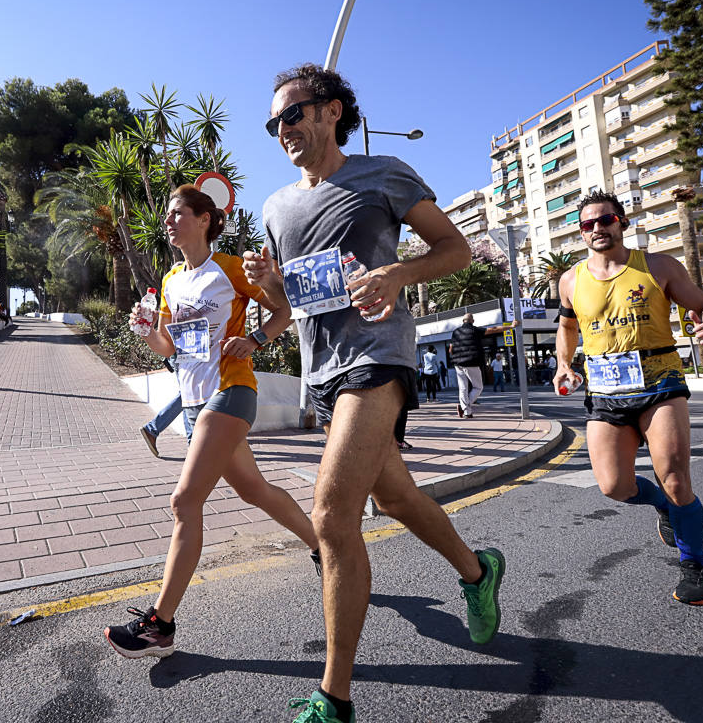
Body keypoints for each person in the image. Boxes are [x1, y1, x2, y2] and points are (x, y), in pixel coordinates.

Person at [246, 63, 505, 723]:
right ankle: (478, 571)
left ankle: (333, 700)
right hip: (324, 372)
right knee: (394, 495)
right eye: (274, 123)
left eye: (294, 115)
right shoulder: (275, 207)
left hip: (379, 358)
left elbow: (456, 250)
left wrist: (398, 273)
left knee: (333, 515)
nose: (283, 130)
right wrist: (266, 285)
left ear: (332, 111)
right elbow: (285, 309)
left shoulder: (382, 174)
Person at [105, 186, 320, 660]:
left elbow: (283, 308)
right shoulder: (171, 279)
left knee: (184, 501)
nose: (168, 221)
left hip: (232, 390)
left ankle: (159, 625)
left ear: (205, 219)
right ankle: (323, 545)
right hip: (194, 401)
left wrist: (256, 339)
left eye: (177, 213)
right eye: (166, 214)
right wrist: (146, 331)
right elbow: (169, 348)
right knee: (255, 490)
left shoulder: (228, 268)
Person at [555, 190, 703, 606]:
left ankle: (694, 564)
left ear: (622, 222)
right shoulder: (570, 279)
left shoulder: (658, 266)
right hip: (606, 392)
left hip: (660, 383)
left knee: (674, 478)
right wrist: (564, 363)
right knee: (613, 486)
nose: (597, 228)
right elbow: (567, 327)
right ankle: (664, 509)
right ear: (581, 232)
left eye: (605, 220)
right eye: (587, 224)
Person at [449, 313, 507, 418]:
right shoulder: (475, 330)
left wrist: (455, 358)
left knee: (463, 388)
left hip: (458, 364)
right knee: (478, 387)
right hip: (472, 362)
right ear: (473, 321)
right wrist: (511, 326)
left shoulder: (455, 332)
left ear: (463, 321)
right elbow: (493, 329)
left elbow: (451, 349)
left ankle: (467, 411)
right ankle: (464, 408)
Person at [139, 358, 194, 457]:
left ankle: (192, 443)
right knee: (187, 395)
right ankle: (152, 429)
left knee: (187, 396)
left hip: (185, 357)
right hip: (184, 357)